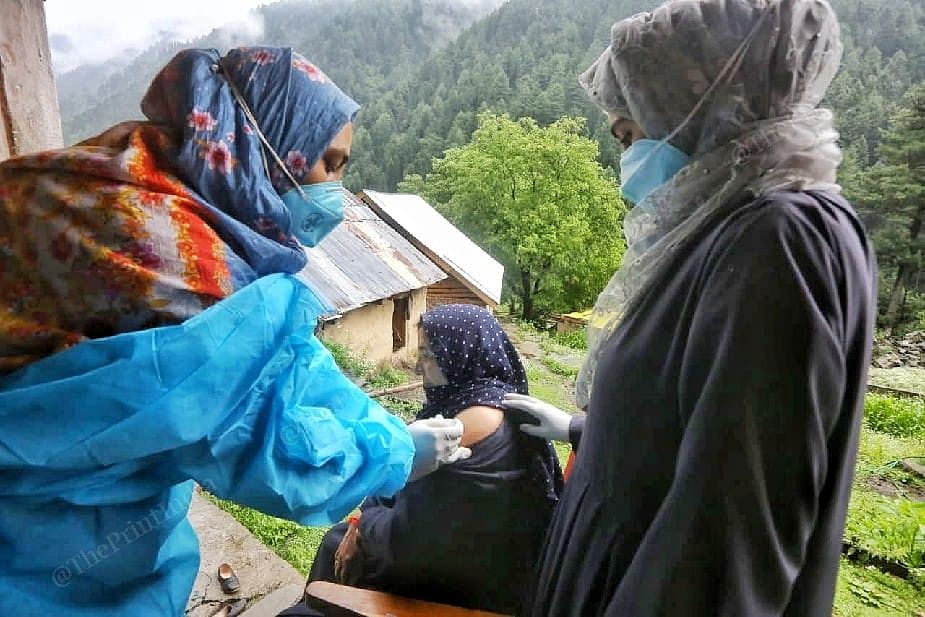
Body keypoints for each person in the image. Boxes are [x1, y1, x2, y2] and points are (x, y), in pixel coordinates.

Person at [0, 47, 468, 616]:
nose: (337, 192)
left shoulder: (123, 172)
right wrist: (393, 453)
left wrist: (379, 424)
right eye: (331, 163)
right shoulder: (183, 269)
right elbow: (264, 443)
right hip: (38, 537)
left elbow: (281, 364)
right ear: (267, 146)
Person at [502, 1, 877, 615]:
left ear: (700, 114)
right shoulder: (739, 227)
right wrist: (584, 431)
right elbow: (700, 426)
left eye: (629, 134)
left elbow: (725, 542)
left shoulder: (778, 241)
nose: (624, 159)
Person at [292, 305, 563, 615]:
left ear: (461, 353)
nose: (420, 368)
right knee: (340, 537)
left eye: (428, 355)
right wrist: (362, 518)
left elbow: (413, 538)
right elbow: (408, 483)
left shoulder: (468, 426)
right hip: (456, 555)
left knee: (330, 554)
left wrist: (365, 526)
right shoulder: (486, 397)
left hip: (458, 585)